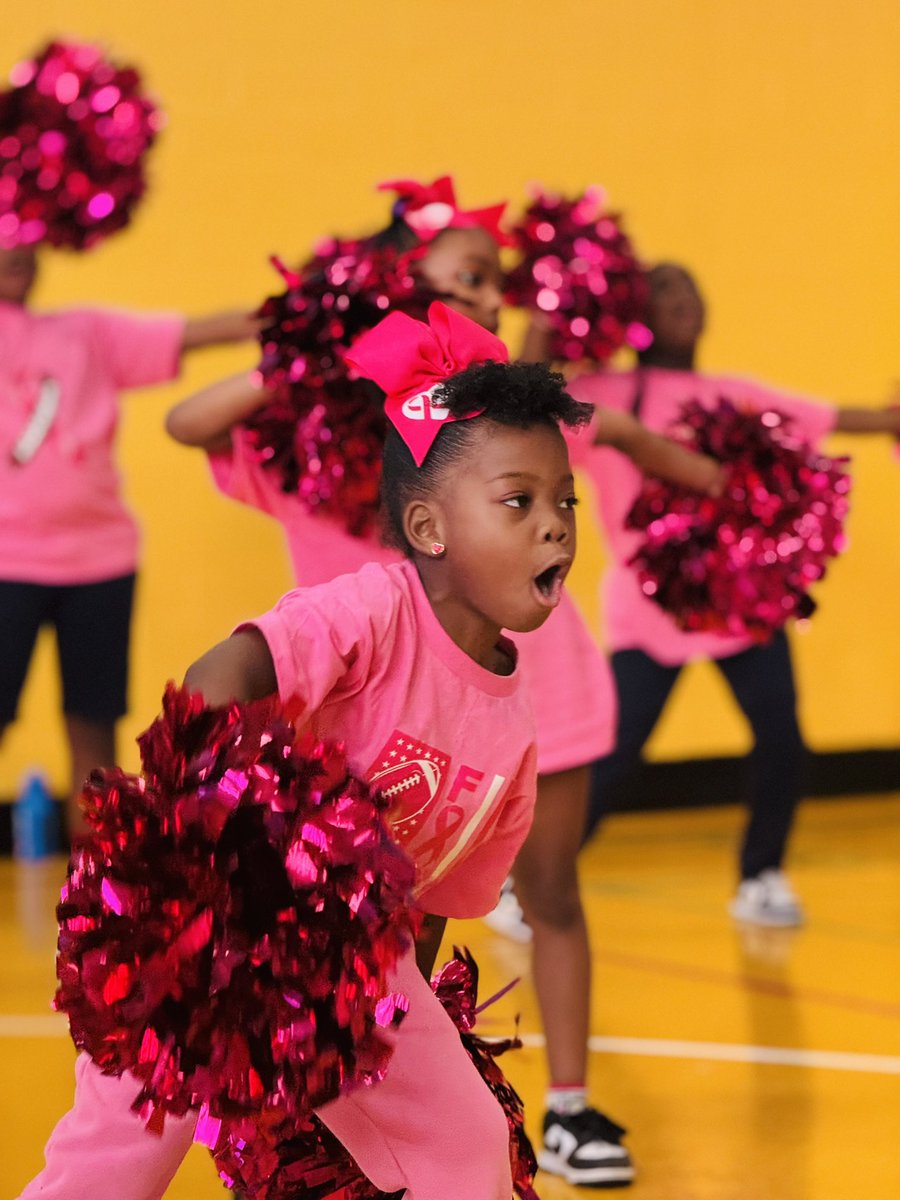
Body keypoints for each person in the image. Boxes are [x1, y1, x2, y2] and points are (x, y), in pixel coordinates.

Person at [166, 179, 723, 1188]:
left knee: (542, 896)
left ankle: (566, 1104)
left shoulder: (502, 426)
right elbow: (188, 420)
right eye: (464, 282)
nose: (486, 303)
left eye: (492, 286)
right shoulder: (318, 437)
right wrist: (310, 355)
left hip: (527, 693)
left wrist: (742, 492)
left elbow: (624, 443)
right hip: (362, 730)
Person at [19, 300, 594, 1200]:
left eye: (564, 501)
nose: (555, 524)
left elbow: (433, 908)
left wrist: (400, 1045)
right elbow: (224, 672)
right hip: (197, 927)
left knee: (467, 1144)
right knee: (122, 1150)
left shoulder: (516, 732)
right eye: (518, 502)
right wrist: (237, 835)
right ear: (429, 530)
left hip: (358, 969)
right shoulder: (372, 610)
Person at [566, 261, 900, 926]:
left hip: (739, 603)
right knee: (615, 755)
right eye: (665, 289)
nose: (683, 299)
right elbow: (529, 407)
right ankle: (536, 882)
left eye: (692, 287)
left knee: (782, 738)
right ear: (636, 311)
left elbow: (836, 417)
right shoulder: (605, 392)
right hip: (649, 607)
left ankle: (761, 875)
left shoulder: (734, 394)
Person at [0, 244, 259, 841]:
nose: (20, 253)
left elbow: (199, 331)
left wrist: (308, 312)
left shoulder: (83, 333)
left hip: (100, 564)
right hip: (6, 570)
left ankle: (97, 897)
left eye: (28, 239)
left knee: (93, 734)